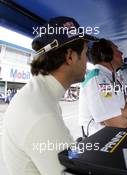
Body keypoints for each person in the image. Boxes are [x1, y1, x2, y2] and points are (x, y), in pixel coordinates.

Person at [2, 16, 96, 175]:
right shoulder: (42, 113)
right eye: (87, 53)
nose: (87, 61)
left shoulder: (38, 95)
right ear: (70, 56)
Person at [79, 39, 127, 136]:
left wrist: (122, 113)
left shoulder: (115, 79)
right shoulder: (97, 78)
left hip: (114, 135)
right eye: (117, 50)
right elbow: (118, 124)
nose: (121, 52)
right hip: (100, 140)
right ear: (106, 54)